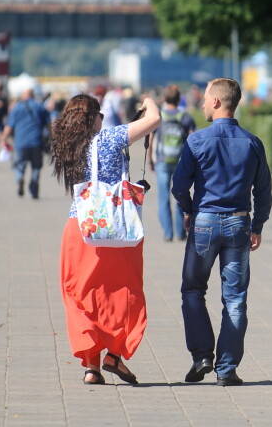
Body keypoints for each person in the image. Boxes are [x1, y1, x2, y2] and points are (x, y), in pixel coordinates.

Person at [50, 93, 161, 385]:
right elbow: (154, 121)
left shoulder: (69, 146)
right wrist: (149, 103)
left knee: (81, 295)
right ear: (94, 117)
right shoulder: (110, 138)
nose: (103, 118)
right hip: (118, 229)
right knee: (121, 292)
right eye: (99, 113)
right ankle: (114, 354)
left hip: (80, 227)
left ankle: (91, 366)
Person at [171, 78, 272, 387]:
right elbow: (264, 192)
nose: (201, 104)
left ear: (216, 102)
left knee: (192, 290)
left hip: (204, 222)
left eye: (204, 99)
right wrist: (258, 225)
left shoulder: (196, 141)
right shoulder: (253, 142)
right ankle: (227, 369)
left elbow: (178, 185)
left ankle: (202, 356)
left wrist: (188, 210)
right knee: (236, 299)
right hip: (239, 224)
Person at [147, 84, 196, 242]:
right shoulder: (186, 117)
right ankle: (181, 232)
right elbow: (193, 139)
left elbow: (151, 138)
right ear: (178, 99)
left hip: (162, 160)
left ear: (164, 99)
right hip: (181, 162)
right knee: (180, 196)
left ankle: (168, 233)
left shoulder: (159, 116)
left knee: (163, 198)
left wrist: (151, 160)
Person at [1, 89, 51, 199]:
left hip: (20, 142)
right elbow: (49, 124)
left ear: (23, 96)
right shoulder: (40, 107)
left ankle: (19, 178)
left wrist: (4, 137)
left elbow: (9, 126)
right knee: (36, 167)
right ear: (33, 96)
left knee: (19, 164)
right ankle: (34, 191)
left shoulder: (17, 108)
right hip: (37, 142)